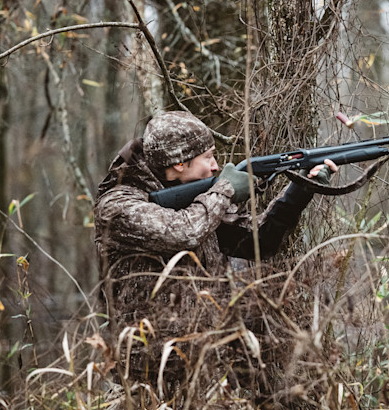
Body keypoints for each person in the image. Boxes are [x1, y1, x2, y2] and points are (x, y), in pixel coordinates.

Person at [93, 110, 335, 360]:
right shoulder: (117, 205)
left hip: (207, 363)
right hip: (149, 369)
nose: (216, 166)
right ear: (179, 162)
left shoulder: (200, 202)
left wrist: (301, 189)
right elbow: (182, 233)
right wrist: (225, 190)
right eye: (207, 157)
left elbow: (258, 241)